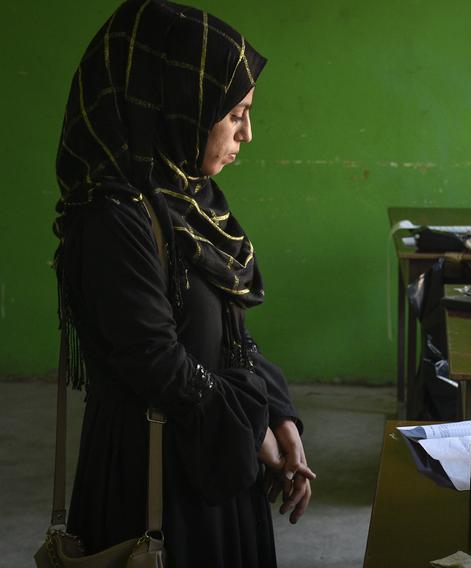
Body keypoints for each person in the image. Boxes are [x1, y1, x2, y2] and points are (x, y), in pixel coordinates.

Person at [52, 1, 313, 566]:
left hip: (211, 460)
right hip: (154, 484)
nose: (248, 132)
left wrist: (278, 415)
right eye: (236, 112)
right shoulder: (113, 218)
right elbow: (154, 359)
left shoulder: (189, 204)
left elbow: (226, 338)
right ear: (181, 103)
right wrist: (252, 430)